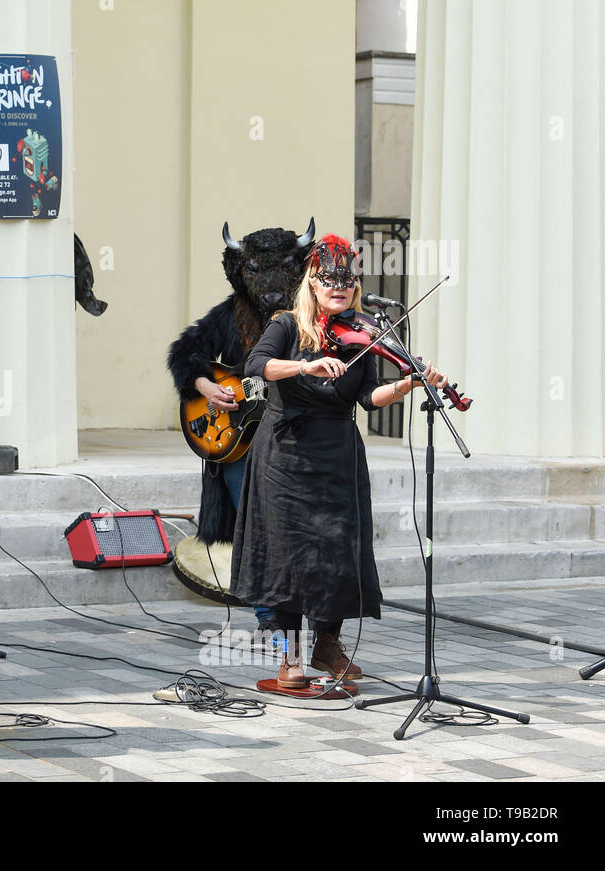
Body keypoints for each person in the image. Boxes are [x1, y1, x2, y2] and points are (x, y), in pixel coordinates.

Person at [230, 234, 448, 688]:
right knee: (284, 556)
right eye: (330, 279)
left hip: (338, 454)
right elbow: (257, 365)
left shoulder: (364, 332)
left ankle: (327, 642)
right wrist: (304, 366)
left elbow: (369, 397)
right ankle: (287, 656)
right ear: (312, 282)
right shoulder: (286, 325)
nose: (340, 287)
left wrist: (407, 384)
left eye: (347, 280)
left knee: (336, 552)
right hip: (284, 455)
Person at [166, 220, 314, 640]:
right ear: (240, 271)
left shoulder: (311, 320)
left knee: (291, 523)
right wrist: (203, 384)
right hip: (237, 440)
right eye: (257, 271)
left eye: (283, 269)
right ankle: (268, 612)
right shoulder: (229, 315)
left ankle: (302, 612)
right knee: (250, 522)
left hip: (292, 436)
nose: (270, 285)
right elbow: (184, 350)